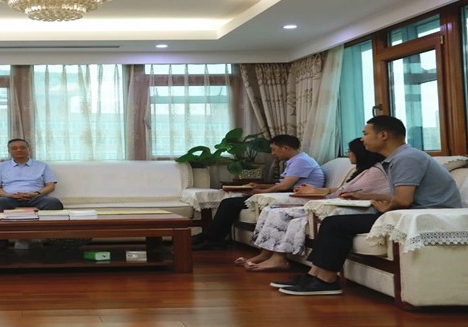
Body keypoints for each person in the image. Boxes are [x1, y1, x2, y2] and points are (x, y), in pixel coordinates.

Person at [276, 116, 463, 295]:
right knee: (333, 221)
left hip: (424, 215)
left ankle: (325, 281)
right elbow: (401, 195)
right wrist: (364, 196)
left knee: (335, 224)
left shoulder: (407, 158)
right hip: (412, 211)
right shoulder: (399, 158)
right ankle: (314, 276)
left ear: (383, 135)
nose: (362, 139)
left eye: (365, 134)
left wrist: (386, 209)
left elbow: (403, 200)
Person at [239, 138, 389, 271]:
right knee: (270, 209)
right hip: (332, 203)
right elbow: (343, 189)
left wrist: (317, 193)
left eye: (350, 151)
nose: (348, 154)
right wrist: (316, 190)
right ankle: (265, 253)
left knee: (281, 213)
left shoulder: (374, 172)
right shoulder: (364, 170)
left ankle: (278, 260)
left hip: (343, 208)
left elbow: (345, 193)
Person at [192, 134, 325, 250]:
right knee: (230, 202)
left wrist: (260, 192)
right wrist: (259, 186)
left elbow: (284, 186)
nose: (272, 153)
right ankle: (208, 237)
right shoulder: (296, 160)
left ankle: (212, 239)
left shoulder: (301, 161)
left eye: (274, 149)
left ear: (285, 148)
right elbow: (282, 185)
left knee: (230, 203)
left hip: (298, 196)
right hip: (289, 192)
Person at [0, 138, 62, 212]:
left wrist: (36, 194)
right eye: (14, 148)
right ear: (9, 151)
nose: (19, 150)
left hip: (36, 197)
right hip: (10, 198)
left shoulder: (42, 166)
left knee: (53, 202)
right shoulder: (0, 167)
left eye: (22, 147)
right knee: (0, 202)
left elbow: (50, 186)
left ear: (28, 149)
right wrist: (9, 195)